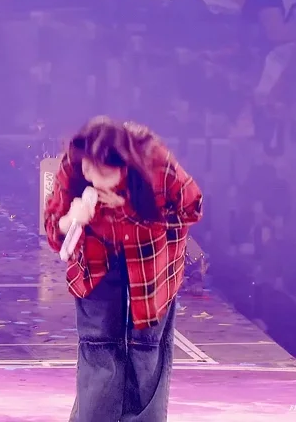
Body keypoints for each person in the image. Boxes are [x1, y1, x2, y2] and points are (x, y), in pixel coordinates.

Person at [44, 116, 203, 422]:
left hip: (152, 261)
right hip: (96, 258)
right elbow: (53, 229)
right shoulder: (73, 164)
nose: (92, 177)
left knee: (147, 347)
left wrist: (128, 209)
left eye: (103, 172)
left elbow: (192, 208)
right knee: (98, 343)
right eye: (89, 168)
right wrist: (70, 220)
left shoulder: (154, 161)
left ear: (124, 166)